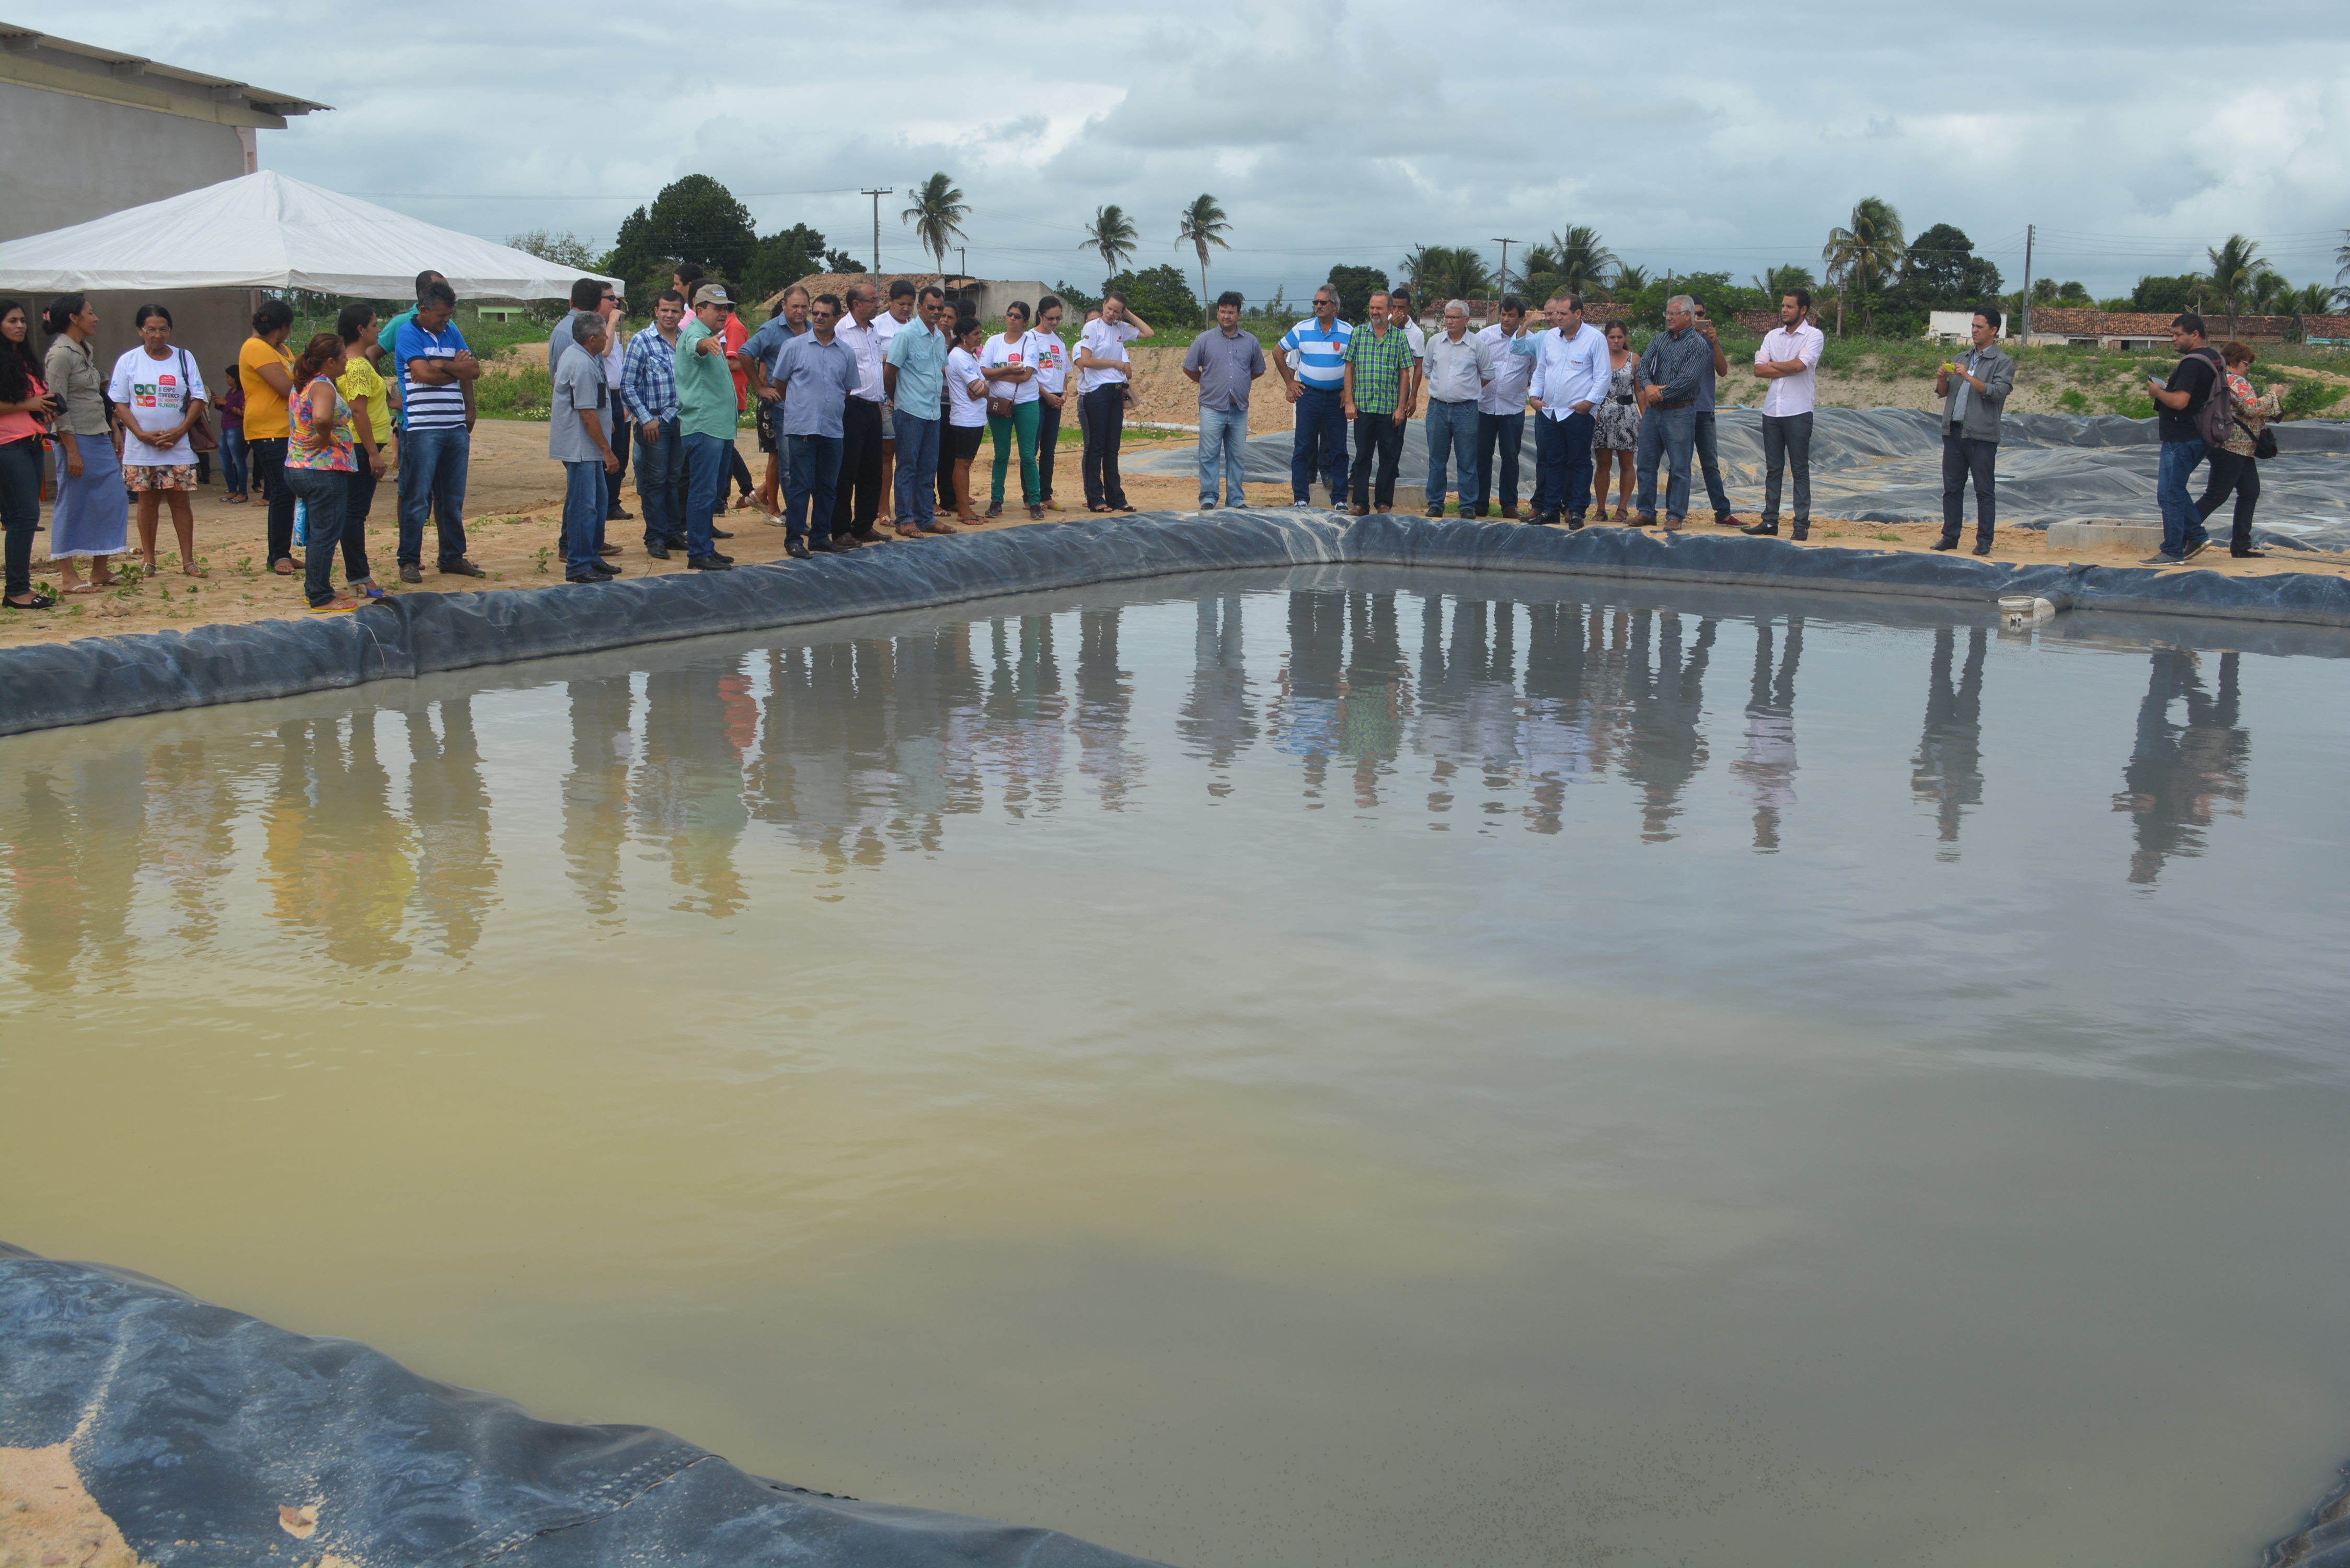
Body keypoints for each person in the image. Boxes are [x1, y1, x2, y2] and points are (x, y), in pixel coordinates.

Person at [391, 280, 485, 581]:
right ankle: (409, 559)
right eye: (441, 315)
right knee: (417, 497)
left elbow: (473, 371)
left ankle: (452, 556)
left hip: (454, 424)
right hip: (422, 426)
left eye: (449, 315)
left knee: (452, 496)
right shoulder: (408, 332)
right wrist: (450, 369)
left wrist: (441, 365)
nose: (446, 320)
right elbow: (422, 373)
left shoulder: (451, 331)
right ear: (423, 309)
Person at [107, 304, 208, 576]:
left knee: (181, 503)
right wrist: (140, 434)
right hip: (142, 448)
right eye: (151, 329)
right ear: (140, 331)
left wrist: (180, 431)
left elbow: (199, 398)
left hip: (178, 446)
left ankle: (188, 560)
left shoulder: (184, 358)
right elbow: (119, 402)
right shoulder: (129, 361)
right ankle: (149, 560)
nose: (157, 335)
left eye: (163, 329)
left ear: (170, 330)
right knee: (147, 502)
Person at [40, 294, 124, 594]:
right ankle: (68, 576)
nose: (96, 318)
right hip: (76, 439)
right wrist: (72, 450)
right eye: (90, 313)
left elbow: (95, 397)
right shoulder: (60, 355)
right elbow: (58, 406)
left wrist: (112, 426)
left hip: (97, 434)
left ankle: (100, 568)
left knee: (111, 499)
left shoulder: (83, 350)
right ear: (74, 318)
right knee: (73, 502)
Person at [771, 292, 865, 557]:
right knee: (801, 485)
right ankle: (794, 540)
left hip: (833, 429)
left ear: (837, 318)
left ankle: (820, 537)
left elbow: (846, 389)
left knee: (828, 486)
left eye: (825, 314)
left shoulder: (845, 352)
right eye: (816, 313)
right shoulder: (794, 347)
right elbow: (780, 383)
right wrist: (803, 406)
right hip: (802, 428)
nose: (819, 318)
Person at [279, 332, 364, 614]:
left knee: (319, 533)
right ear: (330, 361)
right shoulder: (322, 386)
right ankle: (319, 596)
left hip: (299, 466)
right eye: (343, 359)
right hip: (322, 469)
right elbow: (321, 417)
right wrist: (326, 436)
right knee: (326, 534)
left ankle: (317, 588)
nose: (346, 363)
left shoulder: (301, 384)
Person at [1512, 294, 1607, 526]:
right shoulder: (1551, 339)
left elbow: (1603, 376)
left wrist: (1589, 403)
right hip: (1551, 411)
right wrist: (1534, 396)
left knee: (1579, 462)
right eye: (1557, 313)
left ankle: (1576, 510)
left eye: (1564, 313)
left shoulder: (1595, 339)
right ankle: (1551, 509)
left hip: (1578, 413)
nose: (1558, 317)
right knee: (1553, 461)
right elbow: (1542, 370)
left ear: (1578, 314)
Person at [1931, 306, 2014, 557]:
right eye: (1973, 326)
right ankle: (1950, 536)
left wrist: (1968, 377)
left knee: (1984, 490)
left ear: (1994, 331)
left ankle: (1984, 540)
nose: (1974, 331)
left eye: (1980, 327)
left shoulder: (2003, 362)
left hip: (1981, 436)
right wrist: (1942, 378)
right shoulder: (1962, 357)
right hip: (1955, 432)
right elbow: (1944, 393)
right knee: (1952, 488)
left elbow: (1997, 392)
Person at [1744, 290, 1824, 540]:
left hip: (1798, 411)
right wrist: (1787, 365)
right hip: (1772, 411)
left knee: (1799, 468)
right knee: (1773, 469)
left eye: (1790, 306)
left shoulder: (1814, 336)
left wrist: (1775, 364)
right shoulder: (1772, 336)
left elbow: (1800, 367)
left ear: (1803, 310)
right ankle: (1770, 521)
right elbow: (1758, 371)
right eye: (1783, 305)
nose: (1784, 310)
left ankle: (1801, 524)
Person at [672, 283, 741, 571]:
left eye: (726, 308)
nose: (723, 313)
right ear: (700, 310)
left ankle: (705, 547)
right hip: (705, 427)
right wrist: (706, 344)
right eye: (717, 308)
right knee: (703, 491)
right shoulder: (697, 334)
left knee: (710, 491)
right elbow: (694, 349)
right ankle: (699, 553)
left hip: (718, 427)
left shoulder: (710, 334)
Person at [551, 312, 623, 583]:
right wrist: (608, 450)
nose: (607, 337)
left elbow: (596, 405)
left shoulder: (584, 355)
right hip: (582, 447)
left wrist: (607, 427)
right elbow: (586, 412)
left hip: (589, 445)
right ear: (592, 339)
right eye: (604, 334)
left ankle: (592, 556)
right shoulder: (580, 363)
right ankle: (579, 566)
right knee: (584, 506)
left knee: (598, 503)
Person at [2145, 313, 2222, 566]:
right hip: (2202, 434)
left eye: (2178, 334)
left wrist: (2158, 391)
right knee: (2176, 491)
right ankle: (2196, 536)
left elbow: (2179, 402)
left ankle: (2173, 550)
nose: (2173, 339)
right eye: (2173, 334)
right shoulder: (2215, 358)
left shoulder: (2191, 363)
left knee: (2169, 494)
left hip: (2182, 437)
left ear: (2195, 334)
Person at [2195, 340, 2283, 559]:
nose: (2248, 368)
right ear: (2234, 362)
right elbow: (2251, 407)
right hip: (2232, 447)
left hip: (2239, 448)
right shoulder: (2235, 380)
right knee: (2217, 495)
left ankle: (2241, 545)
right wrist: (2273, 395)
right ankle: (2181, 532)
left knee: (2250, 492)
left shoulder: (2220, 380)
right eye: (2246, 363)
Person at [1182, 290, 1266, 511]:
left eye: (1231, 312)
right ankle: (1209, 498)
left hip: (1238, 409)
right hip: (1212, 408)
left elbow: (1257, 371)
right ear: (1217, 313)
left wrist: (1240, 383)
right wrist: (1207, 382)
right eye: (1222, 312)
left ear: (1239, 314)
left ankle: (1236, 499)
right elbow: (1189, 368)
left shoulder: (1251, 342)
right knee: (1208, 455)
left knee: (1237, 457)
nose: (1226, 316)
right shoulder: (1204, 340)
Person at [1631, 294, 1710, 529]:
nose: (1669, 318)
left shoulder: (1698, 345)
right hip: (1654, 412)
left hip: (1680, 413)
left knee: (1679, 467)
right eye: (1667, 313)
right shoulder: (1659, 340)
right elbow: (1643, 365)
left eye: (1673, 314)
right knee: (1646, 462)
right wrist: (1648, 387)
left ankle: (1675, 515)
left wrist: (1660, 393)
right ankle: (1646, 511)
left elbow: (1688, 379)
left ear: (1688, 316)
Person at [0, 299, 59, 609]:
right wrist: (29, 406)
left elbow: (31, 402)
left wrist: (43, 411)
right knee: (24, 517)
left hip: (32, 441)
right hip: (8, 445)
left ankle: (20, 587)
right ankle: (16, 591)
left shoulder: (23, 359)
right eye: (12, 321)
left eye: (22, 320)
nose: (20, 325)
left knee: (22, 516)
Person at [327, 304, 388, 598]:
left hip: (358, 443)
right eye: (375, 325)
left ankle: (357, 575)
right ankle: (359, 575)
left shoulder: (352, 363)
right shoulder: (359, 366)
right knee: (354, 513)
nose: (379, 330)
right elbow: (359, 411)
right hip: (361, 445)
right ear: (361, 330)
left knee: (351, 511)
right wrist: (374, 453)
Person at [622, 289, 688, 558]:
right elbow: (627, 384)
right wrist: (645, 419)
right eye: (664, 310)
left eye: (674, 311)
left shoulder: (687, 342)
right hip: (655, 424)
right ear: (656, 311)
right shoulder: (642, 341)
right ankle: (655, 537)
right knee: (655, 480)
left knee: (675, 479)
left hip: (682, 422)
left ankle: (673, 532)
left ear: (683, 314)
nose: (669, 315)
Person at [883, 284, 953, 536]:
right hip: (910, 412)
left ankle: (926, 518)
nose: (936, 313)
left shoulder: (938, 337)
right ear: (919, 307)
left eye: (940, 308)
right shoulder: (907, 335)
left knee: (927, 468)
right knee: (907, 467)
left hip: (933, 413)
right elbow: (889, 373)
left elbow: (940, 372)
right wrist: (898, 400)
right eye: (931, 307)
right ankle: (904, 520)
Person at [1275, 286, 1352, 508]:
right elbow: (1278, 351)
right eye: (1316, 303)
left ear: (1334, 306)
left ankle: (1339, 499)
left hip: (1337, 400)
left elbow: (1355, 364)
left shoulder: (1349, 332)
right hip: (1309, 397)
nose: (1318, 306)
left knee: (1338, 449)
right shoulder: (1302, 329)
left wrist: (1349, 391)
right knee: (1303, 447)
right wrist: (1290, 383)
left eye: (1323, 303)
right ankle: (1300, 497)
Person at [238, 297, 299, 574]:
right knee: (281, 491)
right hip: (267, 430)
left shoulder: (281, 348)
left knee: (288, 491)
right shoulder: (255, 348)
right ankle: (278, 554)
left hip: (286, 429)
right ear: (284, 326)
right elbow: (286, 388)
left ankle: (282, 551)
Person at [1341, 289, 1415, 515]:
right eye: (1372, 308)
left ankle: (1384, 502)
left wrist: (1401, 407)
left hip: (1389, 409)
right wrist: (1350, 402)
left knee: (1388, 458)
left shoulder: (1399, 337)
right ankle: (1360, 503)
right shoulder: (1358, 334)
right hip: (1363, 407)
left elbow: (1405, 374)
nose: (1374, 312)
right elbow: (1349, 368)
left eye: (1379, 308)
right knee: (1362, 457)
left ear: (1390, 310)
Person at [1078, 290, 1151, 512]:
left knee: (1113, 448)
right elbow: (1086, 360)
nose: (1111, 314)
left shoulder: (1120, 328)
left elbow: (1148, 333)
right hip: (1097, 392)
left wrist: (1128, 313)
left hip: (1116, 393)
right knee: (1097, 447)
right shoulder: (1092, 327)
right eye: (1109, 308)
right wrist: (1114, 363)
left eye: (1117, 311)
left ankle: (1116, 498)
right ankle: (1095, 498)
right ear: (1104, 305)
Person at [742, 285, 810, 516]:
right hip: (782, 407)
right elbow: (744, 353)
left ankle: (799, 511)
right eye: (795, 306)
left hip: (809, 407)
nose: (800, 311)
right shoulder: (771, 330)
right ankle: (795, 515)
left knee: (806, 462)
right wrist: (760, 388)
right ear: (783, 306)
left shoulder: (812, 329)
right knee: (788, 462)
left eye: (804, 306)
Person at [830, 280, 890, 544]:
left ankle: (864, 524)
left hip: (873, 407)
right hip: (850, 407)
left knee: (871, 471)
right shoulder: (841, 330)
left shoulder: (872, 331)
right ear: (857, 304)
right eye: (873, 300)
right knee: (847, 471)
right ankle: (841, 528)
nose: (878, 305)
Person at [1418, 299, 1488, 517]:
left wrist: (1467, 390)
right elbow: (1428, 370)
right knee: (1437, 460)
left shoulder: (1477, 345)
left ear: (1467, 320)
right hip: (1437, 408)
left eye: (1455, 317)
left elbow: (1487, 375)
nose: (1450, 321)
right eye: (1447, 317)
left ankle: (1467, 505)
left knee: (1467, 461)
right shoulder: (1435, 342)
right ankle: (1436, 503)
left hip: (1466, 410)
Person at [980, 299, 1045, 519]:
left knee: (1028, 455)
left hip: (1026, 404)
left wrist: (997, 372)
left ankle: (1035, 502)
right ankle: (996, 500)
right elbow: (983, 372)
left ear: (1026, 321)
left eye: (1017, 316)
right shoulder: (994, 341)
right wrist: (1009, 370)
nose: (1012, 319)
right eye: (1010, 314)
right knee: (1001, 454)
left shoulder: (1030, 343)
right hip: (999, 404)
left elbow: (1027, 375)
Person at [1472, 295, 1533, 518]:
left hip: (1513, 409)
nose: (1506, 319)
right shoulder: (1484, 336)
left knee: (1510, 457)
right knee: (1481, 456)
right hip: (1483, 406)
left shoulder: (1531, 341)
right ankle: (1480, 503)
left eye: (1512, 315)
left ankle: (1509, 505)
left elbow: (1534, 372)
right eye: (1504, 314)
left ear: (1522, 318)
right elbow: (1473, 365)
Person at [1688, 299, 1743, 528]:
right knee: (1678, 465)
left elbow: (1722, 371)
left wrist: (1715, 343)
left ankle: (1722, 512)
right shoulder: (1675, 340)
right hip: (1682, 410)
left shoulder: (1710, 341)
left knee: (1710, 463)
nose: (1698, 320)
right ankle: (1673, 510)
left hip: (1705, 410)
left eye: (1701, 315)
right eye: (1694, 315)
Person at [872, 279, 917, 527]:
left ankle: (908, 505)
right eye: (901, 304)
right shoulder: (878, 326)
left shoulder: (916, 327)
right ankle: (883, 508)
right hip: (887, 394)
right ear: (890, 302)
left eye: (910, 305)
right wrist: (895, 356)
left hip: (911, 396)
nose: (906, 309)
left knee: (909, 454)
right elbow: (873, 358)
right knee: (886, 454)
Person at [943, 315, 989, 525]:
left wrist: (983, 389)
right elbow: (980, 387)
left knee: (965, 463)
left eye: (980, 333)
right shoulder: (960, 357)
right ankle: (964, 510)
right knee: (962, 464)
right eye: (975, 334)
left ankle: (963, 506)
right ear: (963, 337)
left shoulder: (969, 356)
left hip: (973, 418)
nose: (980, 338)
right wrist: (983, 389)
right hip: (966, 419)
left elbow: (982, 387)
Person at [1592, 322, 1640, 520]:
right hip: (1601, 415)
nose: (1616, 341)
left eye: (1620, 337)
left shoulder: (1634, 359)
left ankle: (1622, 508)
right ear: (1606, 338)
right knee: (1603, 464)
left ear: (1625, 338)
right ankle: (1601, 509)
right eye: (1612, 337)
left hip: (1627, 414)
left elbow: (1640, 390)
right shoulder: (1597, 358)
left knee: (1627, 463)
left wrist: (1644, 416)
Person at [1032, 296, 1072, 511]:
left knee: (1049, 449)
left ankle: (1045, 493)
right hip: (1037, 397)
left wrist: (1064, 392)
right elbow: (1029, 374)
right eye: (1050, 318)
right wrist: (1046, 395)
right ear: (1040, 315)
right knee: (1033, 448)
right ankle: (1030, 495)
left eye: (1058, 318)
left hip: (1056, 398)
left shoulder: (1058, 340)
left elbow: (1064, 370)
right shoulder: (1030, 338)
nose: (1054, 322)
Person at [216, 364, 248, 503]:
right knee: (224, 460)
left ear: (235, 378)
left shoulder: (242, 393)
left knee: (239, 461)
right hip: (227, 428)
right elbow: (228, 409)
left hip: (237, 429)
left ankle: (243, 492)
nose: (227, 379)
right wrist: (219, 403)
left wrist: (226, 403)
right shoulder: (231, 391)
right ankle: (232, 489)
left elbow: (243, 413)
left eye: (228, 377)